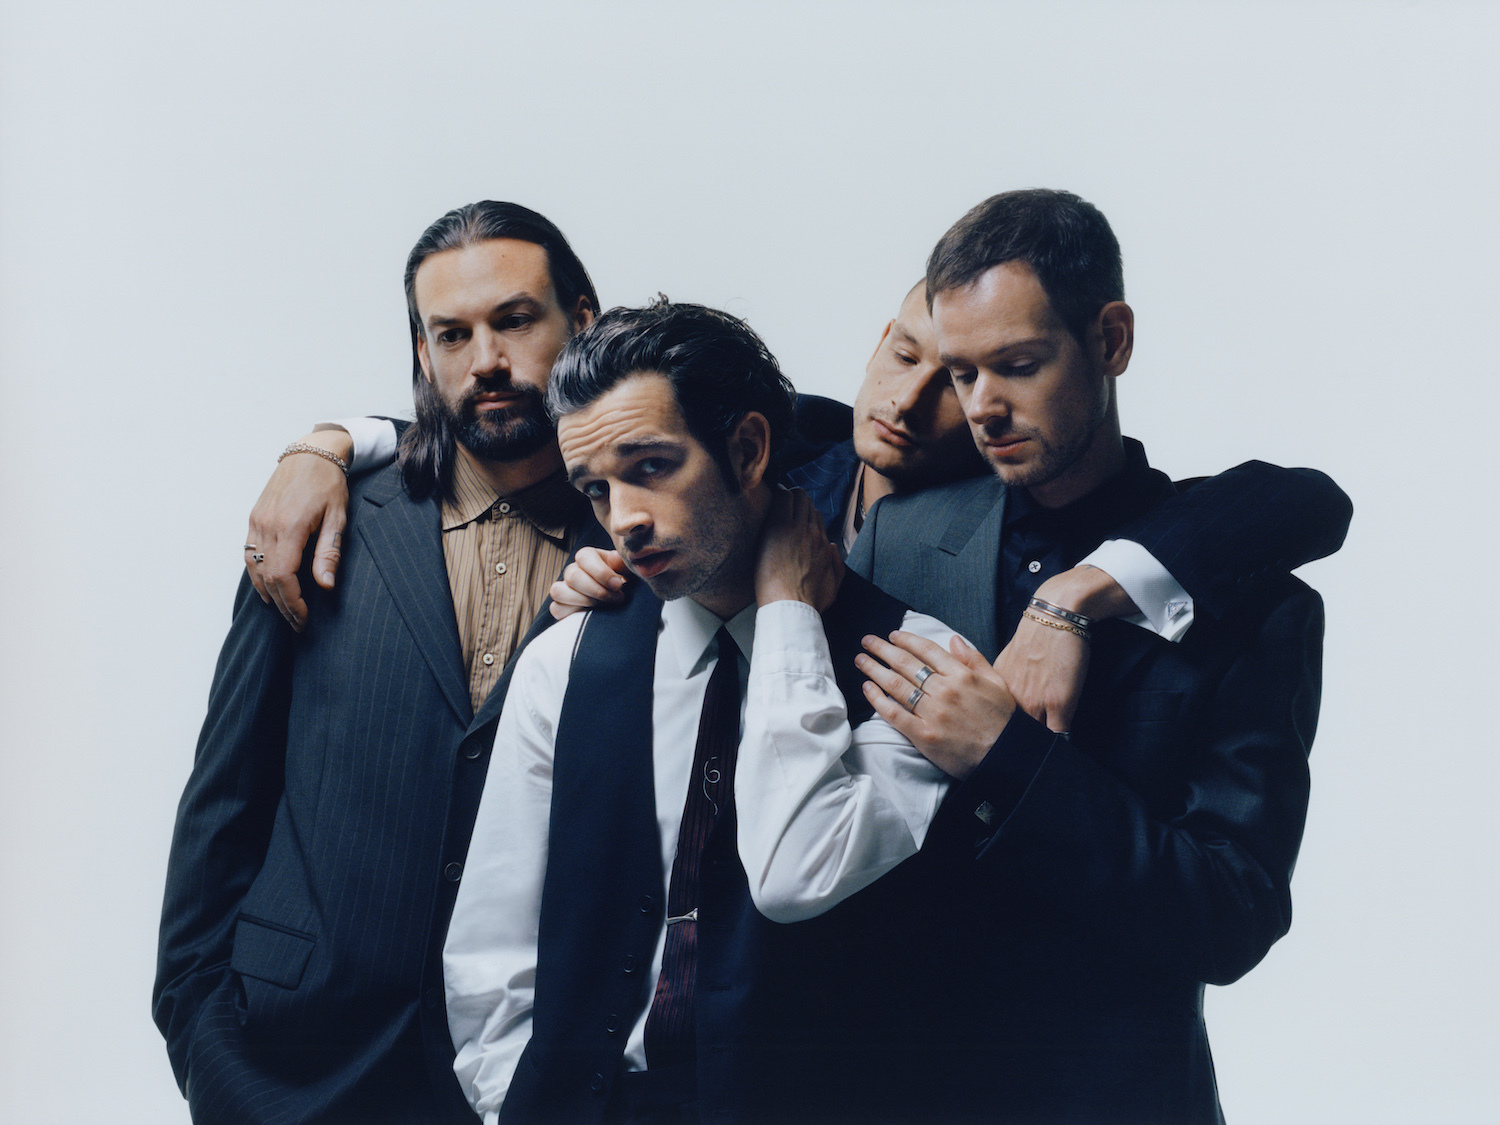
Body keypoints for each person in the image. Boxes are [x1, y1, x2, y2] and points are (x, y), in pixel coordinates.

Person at [849, 188, 1340, 1122]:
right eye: (962, 372)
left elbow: (1231, 915)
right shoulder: (896, 539)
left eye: (1018, 366)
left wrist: (1011, 755)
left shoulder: (1253, 605)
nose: (983, 407)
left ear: (1111, 340)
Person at [441, 300, 964, 1124]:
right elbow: (490, 952)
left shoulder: (917, 665)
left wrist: (787, 615)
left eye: (651, 466)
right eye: (597, 489)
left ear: (749, 449)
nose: (623, 520)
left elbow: (797, 871)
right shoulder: (563, 662)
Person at [153, 201, 604, 1124]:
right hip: (292, 1064)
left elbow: (779, 426)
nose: (486, 360)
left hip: (530, 1072)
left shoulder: (647, 536)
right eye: (453, 333)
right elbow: (223, 803)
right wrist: (203, 1034)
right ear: (422, 353)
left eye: (516, 319)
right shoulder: (322, 523)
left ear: (584, 322)